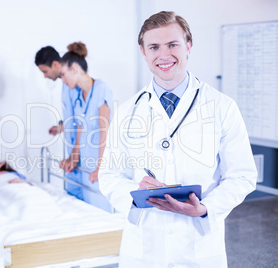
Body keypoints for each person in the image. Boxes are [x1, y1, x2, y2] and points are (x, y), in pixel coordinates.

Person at [98, 11, 257, 267]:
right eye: (154, 47)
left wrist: (206, 208)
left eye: (173, 44)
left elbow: (242, 175)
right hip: (144, 245)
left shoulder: (222, 107)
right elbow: (109, 174)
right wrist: (134, 194)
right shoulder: (128, 110)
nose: (164, 55)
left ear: (188, 46)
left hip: (198, 245)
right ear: (143, 51)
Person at [58, 42, 114, 212]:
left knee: (100, 214)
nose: (62, 79)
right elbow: (80, 131)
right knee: (84, 211)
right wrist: (72, 158)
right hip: (84, 164)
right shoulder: (80, 95)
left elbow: (105, 133)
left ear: (74, 69)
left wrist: (99, 168)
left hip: (97, 164)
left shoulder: (101, 89)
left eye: (63, 74)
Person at [35, 45, 65, 135]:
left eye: (45, 71)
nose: (45, 76)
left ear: (55, 64)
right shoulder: (66, 85)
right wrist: (61, 127)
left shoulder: (74, 85)